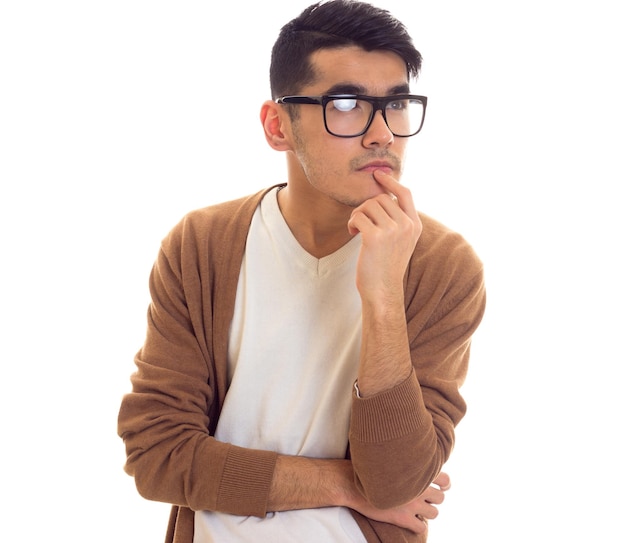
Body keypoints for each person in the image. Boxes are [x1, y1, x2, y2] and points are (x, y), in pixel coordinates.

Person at [118, 1, 486, 542]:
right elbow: (157, 453)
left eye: (397, 103)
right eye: (345, 103)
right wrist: (342, 485)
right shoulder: (202, 246)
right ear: (277, 126)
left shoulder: (442, 266)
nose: (382, 133)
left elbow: (394, 482)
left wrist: (383, 294)